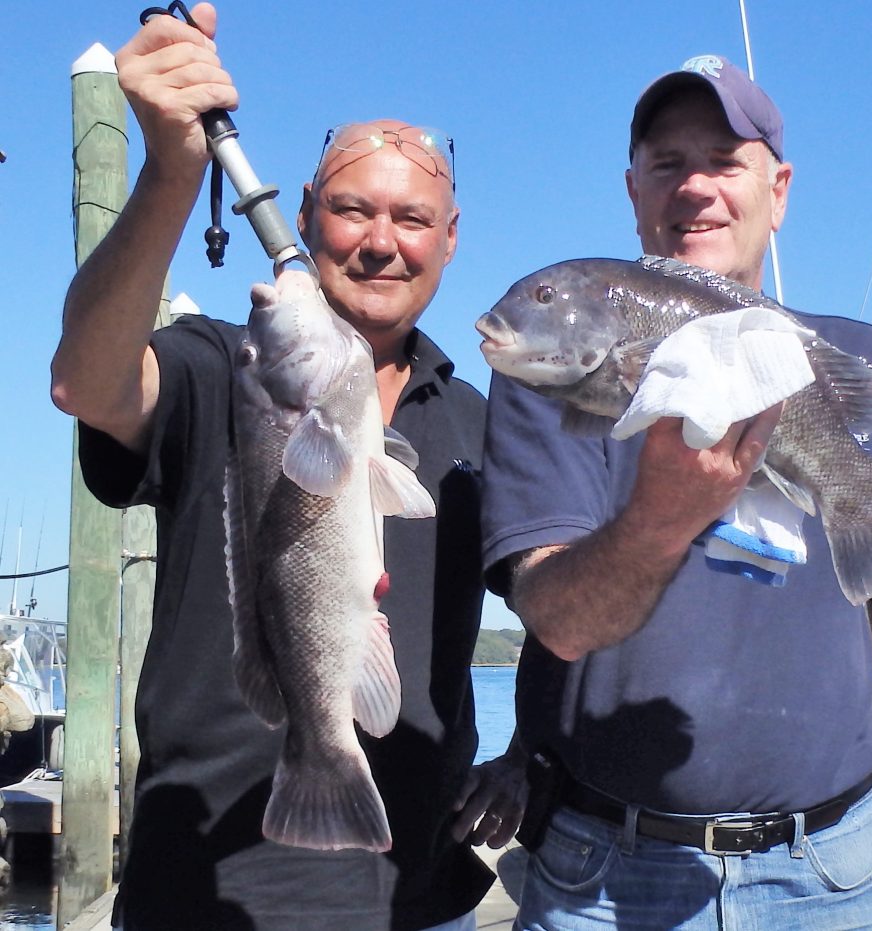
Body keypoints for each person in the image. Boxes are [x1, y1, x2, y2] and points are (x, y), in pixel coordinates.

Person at [480, 54, 872, 930]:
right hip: (606, 878)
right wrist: (664, 511)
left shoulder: (865, 362)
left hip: (840, 871)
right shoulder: (548, 386)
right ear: (633, 190)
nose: (696, 188)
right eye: (666, 164)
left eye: (725, 160)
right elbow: (560, 620)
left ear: (779, 188)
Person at [50, 5, 523, 930]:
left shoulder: (479, 420)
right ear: (304, 213)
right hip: (204, 895)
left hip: (418, 898)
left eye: (412, 218)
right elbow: (86, 380)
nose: (380, 240)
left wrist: (533, 746)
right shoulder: (224, 368)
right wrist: (171, 173)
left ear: (452, 238)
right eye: (350, 209)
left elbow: (555, 603)